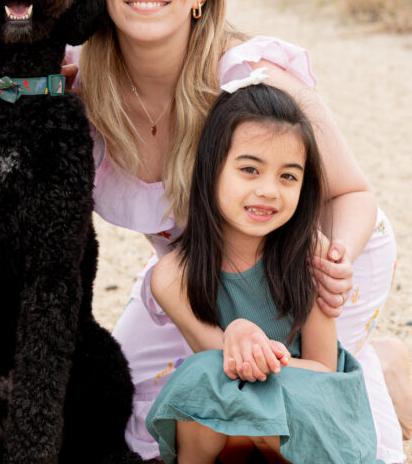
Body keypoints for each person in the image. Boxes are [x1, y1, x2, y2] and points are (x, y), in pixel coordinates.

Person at [76, 0, 412, 464]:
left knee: (338, 435)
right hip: (206, 274)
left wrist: (330, 260)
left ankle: (374, 364)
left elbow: (352, 192)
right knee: (136, 425)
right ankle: (371, 359)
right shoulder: (82, 86)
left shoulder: (250, 78)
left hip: (311, 253)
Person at [145, 75, 377, 464]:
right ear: (211, 168)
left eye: (288, 176)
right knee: (204, 377)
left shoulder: (309, 253)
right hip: (234, 420)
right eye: (250, 170)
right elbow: (221, 373)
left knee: (245, 405)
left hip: (306, 407)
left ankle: (384, 362)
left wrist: (265, 350)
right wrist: (237, 333)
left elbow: (322, 368)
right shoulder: (172, 276)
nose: (269, 190)